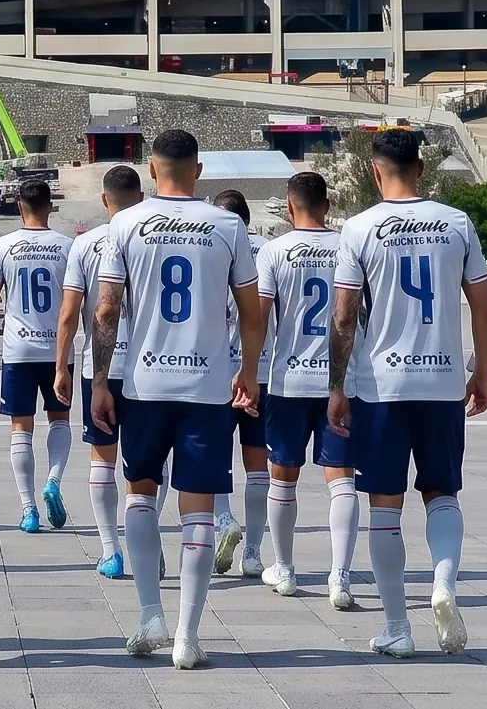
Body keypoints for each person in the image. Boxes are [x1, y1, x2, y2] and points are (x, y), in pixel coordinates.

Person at [91, 129, 262, 670]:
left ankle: (149, 615)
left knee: (140, 495)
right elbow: (253, 312)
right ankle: (188, 634)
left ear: (150, 167)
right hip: (207, 386)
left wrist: (99, 381)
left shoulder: (126, 223)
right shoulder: (228, 225)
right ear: (199, 170)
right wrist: (250, 373)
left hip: (144, 383)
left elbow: (105, 311)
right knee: (199, 511)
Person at [327, 128, 487, 659]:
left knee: (384, 506)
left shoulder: (357, 229)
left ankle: (398, 626)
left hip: (381, 385)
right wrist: (482, 372)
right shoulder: (456, 223)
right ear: (421, 170)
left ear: (375, 171)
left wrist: (336, 386)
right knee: (442, 493)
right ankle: (443, 584)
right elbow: (484, 307)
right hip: (443, 381)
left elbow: (343, 316)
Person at [254, 171, 361, 601]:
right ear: (328, 206)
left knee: (283, 475)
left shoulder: (275, 251)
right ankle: (340, 576)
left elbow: (259, 318)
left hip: (289, 379)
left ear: (288, 204)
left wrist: (246, 371)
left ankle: (284, 569)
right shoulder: (348, 247)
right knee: (341, 478)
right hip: (341, 381)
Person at [52, 164, 141, 579]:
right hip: (147, 366)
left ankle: (111, 550)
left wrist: (61, 366)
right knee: (146, 465)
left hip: (100, 367)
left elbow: (70, 313)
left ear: (105, 200)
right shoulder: (150, 238)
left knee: (102, 458)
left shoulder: (84, 244)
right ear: (139, 198)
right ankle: (148, 542)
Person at [0, 179, 73, 534]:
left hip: (18, 349)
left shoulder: (4, 246)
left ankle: (28, 509)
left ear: (19, 206)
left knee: (21, 428)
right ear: (50, 206)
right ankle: (53, 480)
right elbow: (75, 302)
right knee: (60, 420)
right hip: (57, 349)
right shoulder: (68, 246)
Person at [208, 189, 269, 579]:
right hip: (262, 370)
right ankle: (253, 552)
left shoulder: (212, 246)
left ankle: (225, 519)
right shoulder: (272, 249)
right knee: (258, 464)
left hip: (218, 370)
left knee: (211, 459)